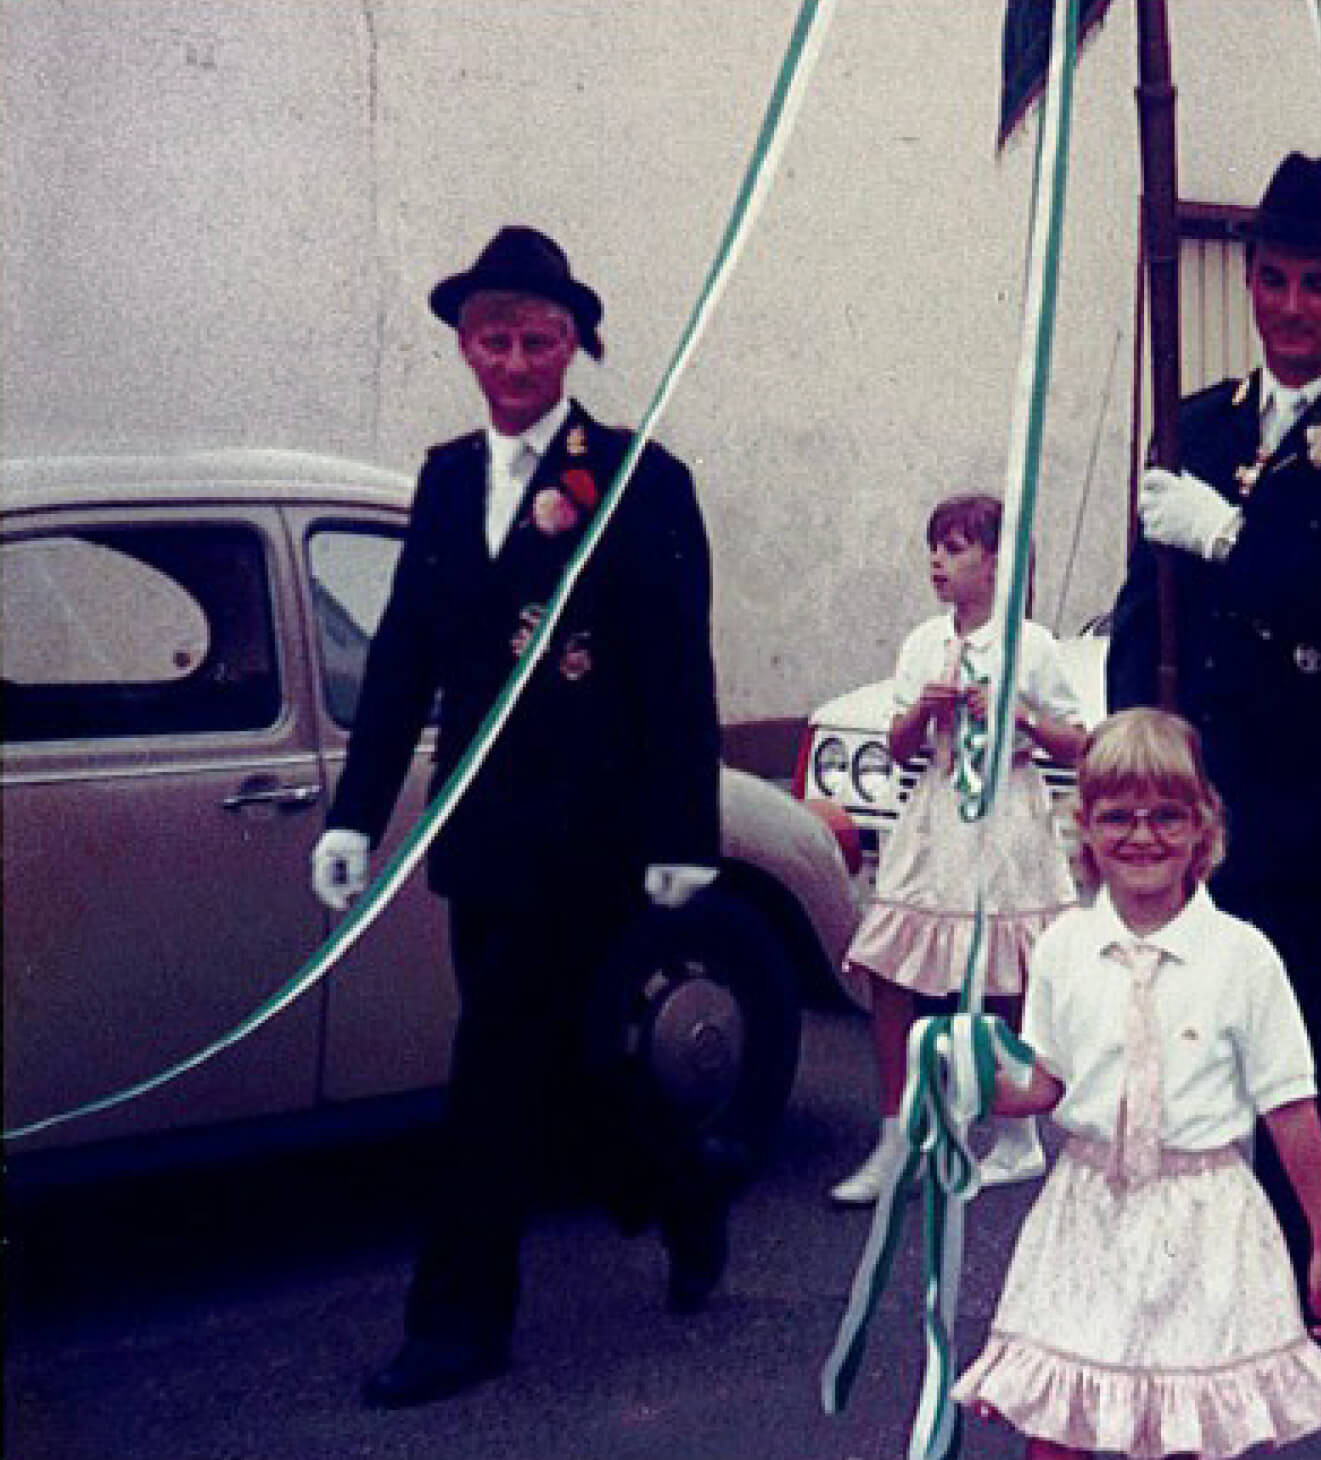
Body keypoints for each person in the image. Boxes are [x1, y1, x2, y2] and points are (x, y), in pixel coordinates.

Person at [309, 226, 726, 1408]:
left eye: (538, 337)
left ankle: (457, 1323)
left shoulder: (639, 476)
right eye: (493, 336)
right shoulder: (447, 477)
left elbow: (676, 669)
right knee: (573, 1071)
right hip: (482, 837)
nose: (515, 358)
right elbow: (403, 657)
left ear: (572, 343)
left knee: (491, 1071)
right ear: (463, 342)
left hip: (590, 838)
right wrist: (356, 812)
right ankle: (688, 1181)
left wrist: (683, 833)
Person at [1105, 152, 1321, 1303]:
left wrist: (1231, 542)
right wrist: (1125, 781)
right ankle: (1197, 1295)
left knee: (1307, 1079)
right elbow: (1140, 616)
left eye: (1318, 284)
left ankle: (1303, 1300)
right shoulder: (1198, 424)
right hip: (1202, 814)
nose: (1292, 307)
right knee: (1184, 1066)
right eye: (1274, 280)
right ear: (1249, 282)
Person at [951, 708, 1321, 1460]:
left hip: (1203, 1218)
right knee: (1060, 1425)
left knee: (1184, 1425)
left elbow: (1290, 1107)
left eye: (1167, 816)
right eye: (1118, 817)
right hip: (1087, 1214)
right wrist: (968, 1083)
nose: (1143, 836)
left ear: (1202, 829)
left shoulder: (1243, 958)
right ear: (1086, 829)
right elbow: (1044, 1083)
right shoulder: (1063, 949)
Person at [827, 492, 1087, 1205]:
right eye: (933, 548)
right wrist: (924, 711)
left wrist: (1017, 715)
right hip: (938, 812)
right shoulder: (923, 642)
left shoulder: (1030, 644)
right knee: (892, 961)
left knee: (1007, 975)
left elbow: (1075, 738)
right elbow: (900, 744)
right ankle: (897, 1134)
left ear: (996, 562)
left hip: (1006, 812)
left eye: (955, 547)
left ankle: (1016, 1132)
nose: (938, 562)